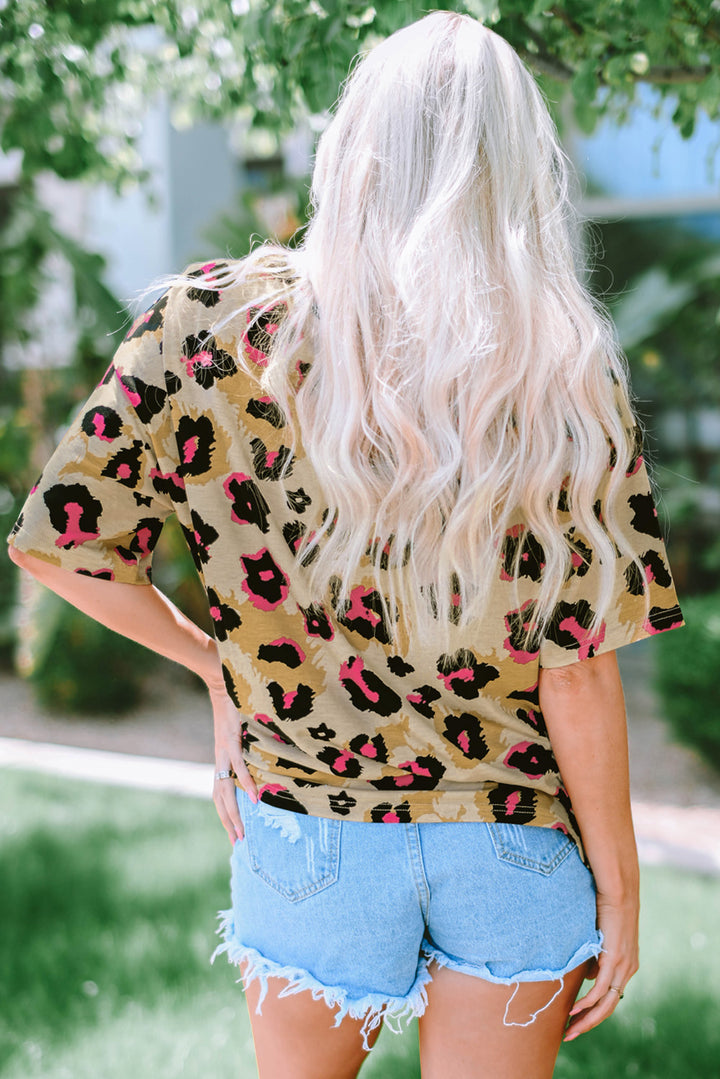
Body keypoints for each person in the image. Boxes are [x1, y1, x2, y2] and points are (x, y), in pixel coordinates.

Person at [7, 12, 684, 1079]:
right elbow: (577, 670)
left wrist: (219, 667)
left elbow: (60, 548)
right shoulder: (556, 367)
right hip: (509, 831)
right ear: (519, 165)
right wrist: (624, 887)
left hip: (305, 829)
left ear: (349, 145)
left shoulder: (205, 322)